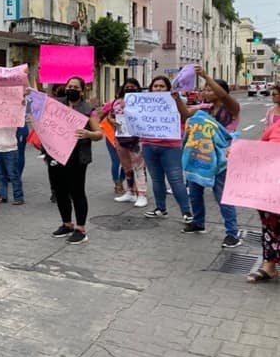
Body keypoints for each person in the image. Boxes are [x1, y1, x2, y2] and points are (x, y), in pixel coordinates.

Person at [175, 66, 243, 248]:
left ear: (221, 92)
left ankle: (232, 233)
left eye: (210, 88)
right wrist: (176, 97)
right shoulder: (203, 109)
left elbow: (226, 97)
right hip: (200, 156)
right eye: (204, 88)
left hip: (222, 159)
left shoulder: (232, 108)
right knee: (195, 191)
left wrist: (205, 75)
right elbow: (184, 115)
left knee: (222, 196)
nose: (205, 91)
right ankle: (198, 222)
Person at [46, 76, 103, 244]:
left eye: (75, 87)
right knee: (60, 191)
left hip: (77, 157)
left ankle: (81, 229)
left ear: (82, 90)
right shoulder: (57, 104)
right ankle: (67, 224)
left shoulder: (88, 109)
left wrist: (88, 134)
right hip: (57, 155)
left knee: (77, 192)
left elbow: (99, 134)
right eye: (69, 86)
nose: (71, 89)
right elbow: (37, 102)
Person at [140, 76, 193, 222]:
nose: (158, 89)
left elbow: (184, 117)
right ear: (150, 89)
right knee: (156, 180)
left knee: (176, 179)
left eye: (162, 86)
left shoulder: (174, 101)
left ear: (168, 89)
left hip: (170, 147)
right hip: (148, 145)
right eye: (155, 86)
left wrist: (176, 99)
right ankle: (161, 208)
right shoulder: (143, 102)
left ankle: (186, 212)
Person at [102, 79, 148, 208]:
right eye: (127, 87)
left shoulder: (143, 102)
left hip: (136, 138)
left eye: (133, 87)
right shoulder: (117, 102)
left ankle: (142, 194)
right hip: (121, 137)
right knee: (126, 166)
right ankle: (130, 192)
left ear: (138, 89)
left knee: (139, 167)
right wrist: (112, 121)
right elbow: (110, 116)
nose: (130, 89)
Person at [247, 103, 280, 282]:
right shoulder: (277, 125)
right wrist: (237, 152)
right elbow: (259, 147)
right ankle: (269, 267)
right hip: (272, 187)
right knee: (270, 225)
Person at [0, 125, 24, 206]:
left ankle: (18, 197)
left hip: (10, 150)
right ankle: (2, 196)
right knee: (1, 175)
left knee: (13, 174)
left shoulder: (12, 117)